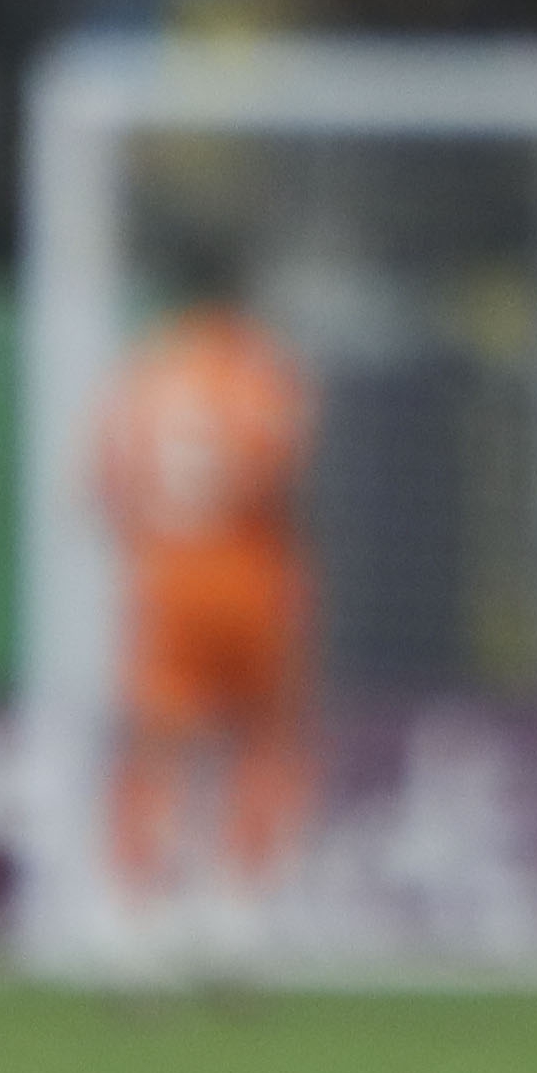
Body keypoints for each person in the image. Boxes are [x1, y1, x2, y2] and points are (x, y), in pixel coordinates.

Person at [93, 245, 314, 898]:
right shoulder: (260, 368)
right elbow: (280, 472)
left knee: (155, 740)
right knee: (264, 734)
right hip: (249, 575)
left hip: (166, 578)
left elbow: (103, 482)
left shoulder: (147, 370)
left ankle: (137, 901)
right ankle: (242, 897)